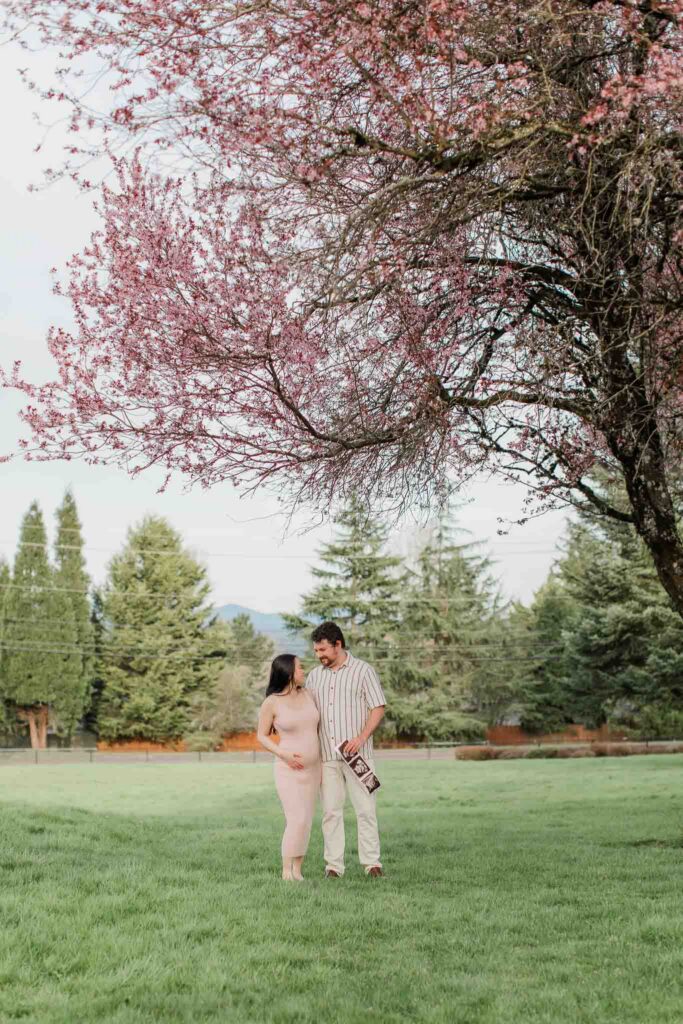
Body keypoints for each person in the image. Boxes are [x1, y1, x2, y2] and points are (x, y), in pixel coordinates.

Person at [306, 622, 386, 878]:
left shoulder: (363, 671)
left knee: (366, 810)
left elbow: (378, 707)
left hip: (358, 756)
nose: (319, 656)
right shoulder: (314, 676)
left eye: (323, 650)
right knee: (330, 812)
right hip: (326, 758)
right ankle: (334, 867)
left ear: (338, 644)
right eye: (316, 651)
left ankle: (372, 864)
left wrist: (361, 738)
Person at [256, 654, 322, 881]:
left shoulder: (308, 694)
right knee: (296, 819)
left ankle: (298, 870)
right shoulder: (272, 702)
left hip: (314, 770)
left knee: (307, 820)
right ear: (288, 672)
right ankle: (286, 871)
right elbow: (261, 736)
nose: (304, 671)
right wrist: (283, 754)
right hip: (288, 770)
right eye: (300, 667)